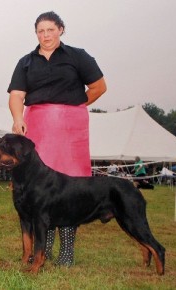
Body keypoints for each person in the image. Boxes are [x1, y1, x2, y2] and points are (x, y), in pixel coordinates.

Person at [8, 11, 106, 266]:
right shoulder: (26, 62)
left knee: (71, 188)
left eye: (50, 30)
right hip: (38, 126)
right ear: (36, 33)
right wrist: (18, 118)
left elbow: (99, 87)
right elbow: (17, 95)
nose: (46, 35)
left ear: (61, 30)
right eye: (41, 31)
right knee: (42, 189)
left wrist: (75, 104)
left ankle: (67, 252)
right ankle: (45, 246)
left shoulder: (78, 56)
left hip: (71, 128)